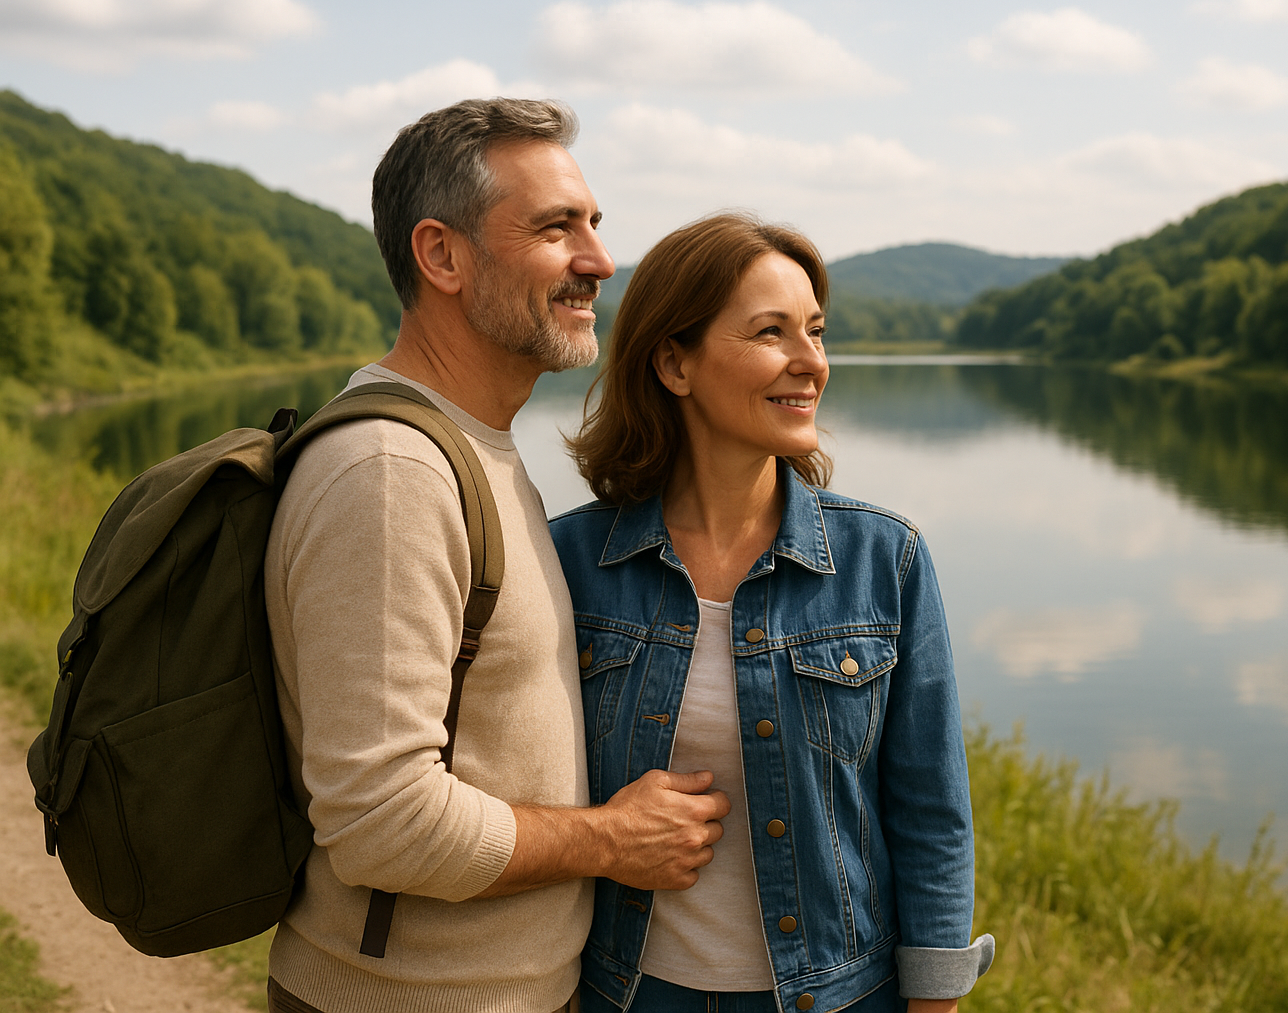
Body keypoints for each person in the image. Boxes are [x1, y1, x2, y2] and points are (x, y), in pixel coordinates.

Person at [264, 99, 731, 1013]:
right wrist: (612, 839)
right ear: (441, 254)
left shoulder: (470, 445)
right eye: (557, 229)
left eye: (594, 226)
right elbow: (382, 822)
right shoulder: (394, 474)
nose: (598, 260)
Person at [550, 213, 993, 1013]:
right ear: (673, 363)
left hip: (843, 997)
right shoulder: (573, 563)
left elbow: (932, 816)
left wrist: (934, 1001)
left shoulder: (883, 560)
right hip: (626, 995)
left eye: (816, 333)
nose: (810, 363)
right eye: (771, 333)